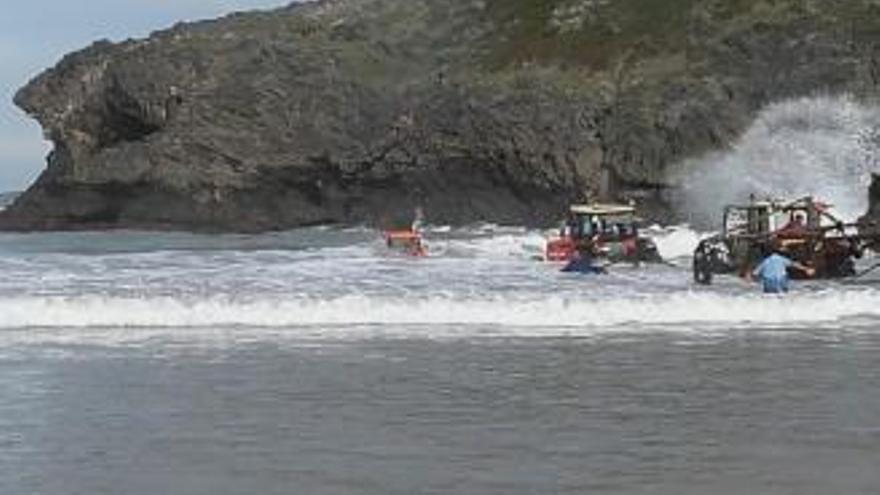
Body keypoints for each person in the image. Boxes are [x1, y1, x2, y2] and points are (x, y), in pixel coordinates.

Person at [751, 242, 815, 293]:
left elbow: (755, 273)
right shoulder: (781, 259)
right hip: (781, 280)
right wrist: (806, 269)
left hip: (769, 282)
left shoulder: (765, 261)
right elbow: (794, 264)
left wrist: (752, 279)